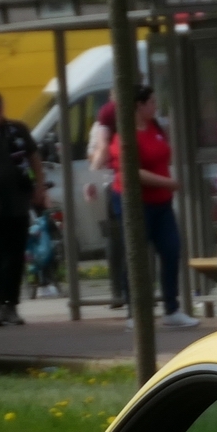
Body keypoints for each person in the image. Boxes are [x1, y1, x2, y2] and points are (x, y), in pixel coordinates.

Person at [106, 85, 198, 328]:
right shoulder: (123, 134)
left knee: (171, 249)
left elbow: (163, 155)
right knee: (136, 257)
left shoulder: (155, 128)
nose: (155, 107)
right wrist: (168, 182)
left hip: (161, 203)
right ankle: (134, 312)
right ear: (139, 105)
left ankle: (171, 309)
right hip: (135, 204)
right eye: (152, 103)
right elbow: (131, 171)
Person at [0, 91, 48, 328]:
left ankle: (10, 305)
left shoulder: (17, 130)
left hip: (16, 203)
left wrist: (40, 187)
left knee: (13, 257)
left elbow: (34, 158)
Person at [85, 99, 129, 311]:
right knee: (115, 238)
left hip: (131, 184)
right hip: (110, 183)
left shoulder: (141, 120)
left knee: (126, 238)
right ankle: (118, 290)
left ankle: (127, 288)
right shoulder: (101, 126)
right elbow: (94, 154)